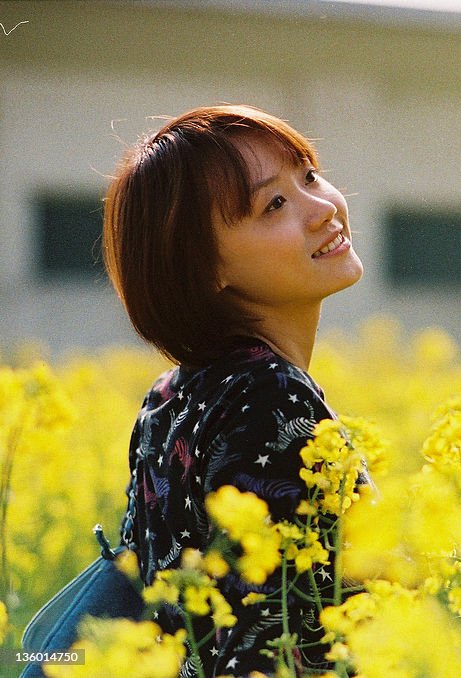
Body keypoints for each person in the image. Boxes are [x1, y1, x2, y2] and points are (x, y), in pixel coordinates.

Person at [103, 104, 365, 676]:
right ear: (204, 269)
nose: (322, 208)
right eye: (274, 204)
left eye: (309, 175)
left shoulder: (168, 399)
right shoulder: (271, 399)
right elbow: (278, 652)